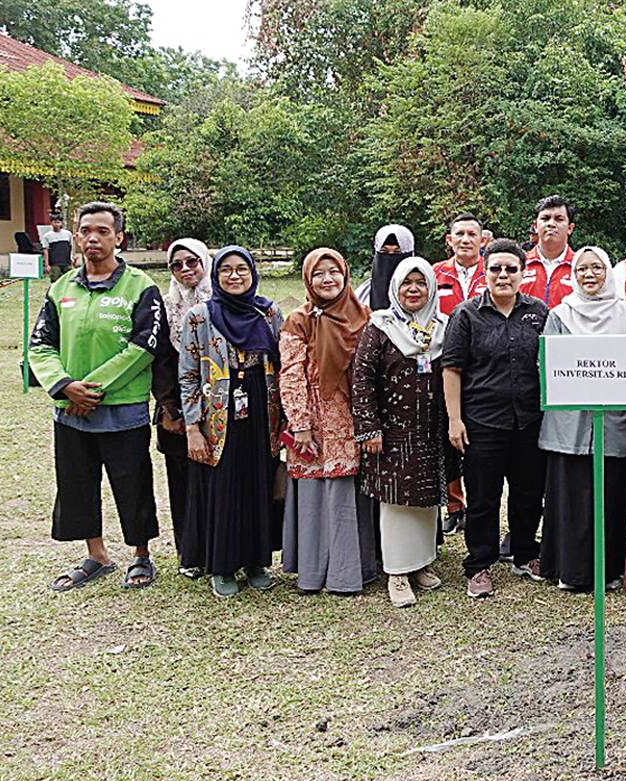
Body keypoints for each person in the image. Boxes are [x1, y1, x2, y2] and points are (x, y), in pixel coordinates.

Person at [28, 202, 171, 592]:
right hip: (70, 412)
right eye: (86, 230)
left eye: (103, 231)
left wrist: (89, 389)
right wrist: (63, 386)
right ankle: (97, 555)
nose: (93, 238)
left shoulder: (141, 287)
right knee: (77, 483)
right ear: (76, 236)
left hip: (123, 410)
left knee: (133, 483)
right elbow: (39, 346)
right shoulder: (61, 288)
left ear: (119, 238)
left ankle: (140, 555)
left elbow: (145, 346)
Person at [442, 239, 551, 598]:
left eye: (511, 269)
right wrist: (454, 420)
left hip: (529, 421)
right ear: (485, 272)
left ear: (523, 272)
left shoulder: (539, 312)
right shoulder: (466, 314)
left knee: (529, 493)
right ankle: (479, 564)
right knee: (484, 498)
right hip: (482, 423)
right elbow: (452, 369)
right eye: (495, 269)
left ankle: (524, 553)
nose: (503, 275)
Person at [179, 246, 285, 598]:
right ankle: (221, 565)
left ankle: (256, 561)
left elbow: (283, 366)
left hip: (262, 406)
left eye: (242, 269)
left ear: (253, 273)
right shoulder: (200, 316)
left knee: (258, 482)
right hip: (217, 412)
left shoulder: (268, 312)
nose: (235, 276)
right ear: (216, 275)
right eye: (226, 270)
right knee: (222, 487)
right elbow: (188, 375)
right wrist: (193, 427)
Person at [540, 247, 626, 591]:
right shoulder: (559, 314)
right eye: (582, 268)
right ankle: (572, 572)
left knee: (612, 497)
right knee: (573, 498)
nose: (589, 275)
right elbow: (547, 367)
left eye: (597, 268)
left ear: (609, 272)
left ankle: (611, 570)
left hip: (616, 423)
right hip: (569, 426)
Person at [351, 257, 451, 608]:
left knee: (425, 499)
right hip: (391, 431)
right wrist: (368, 428)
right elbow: (361, 380)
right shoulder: (379, 326)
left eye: (420, 283)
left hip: (430, 429)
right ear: (394, 287)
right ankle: (396, 573)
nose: (413, 289)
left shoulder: (442, 326)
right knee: (396, 501)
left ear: (430, 288)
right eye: (406, 282)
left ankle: (420, 563)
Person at [279, 248, 378, 596]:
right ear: (308, 278)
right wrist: (300, 423)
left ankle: (354, 570)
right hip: (314, 424)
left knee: (349, 496)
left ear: (345, 274)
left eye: (333, 272)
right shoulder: (299, 319)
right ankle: (315, 571)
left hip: (352, 421)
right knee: (317, 496)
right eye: (318, 273)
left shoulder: (364, 316)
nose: (327, 280)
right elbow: (290, 374)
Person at [157, 238, 212, 575]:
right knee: (182, 485)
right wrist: (171, 410)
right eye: (176, 265)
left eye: (192, 262)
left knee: (215, 483)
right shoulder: (165, 308)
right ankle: (189, 555)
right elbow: (160, 361)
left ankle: (219, 549)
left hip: (220, 409)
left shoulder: (222, 301)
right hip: (175, 411)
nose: (185, 270)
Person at [432, 211, 488, 534]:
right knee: (449, 433)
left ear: (482, 240)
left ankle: (480, 501)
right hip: (446, 365)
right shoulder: (436, 273)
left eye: (472, 234)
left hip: (485, 368)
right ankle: (454, 504)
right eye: (460, 234)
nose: (466, 240)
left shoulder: (494, 272)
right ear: (449, 240)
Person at [521, 195, 577, 308]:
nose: (551, 224)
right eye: (545, 218)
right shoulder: (519, 264)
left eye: (559, 219)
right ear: (535, 226)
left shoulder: (580, 266)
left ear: (570, 228)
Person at [357, 224, 415, 311]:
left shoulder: (421, 294)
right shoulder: (361, 296)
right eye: (384, 251)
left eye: (397, 252)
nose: (390, 258)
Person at [41, 213, 75, 280]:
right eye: (54, 222)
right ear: (51, 223)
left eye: (58, 222)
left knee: (68, 280)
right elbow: (46, 251)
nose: (56, 224)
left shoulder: (68, 234)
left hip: (66, 261)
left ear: (61, 223)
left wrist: (72, 258)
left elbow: (72, 247)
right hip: (54, 262)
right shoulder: (47, 236)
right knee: (55, 280)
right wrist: (47, 264)